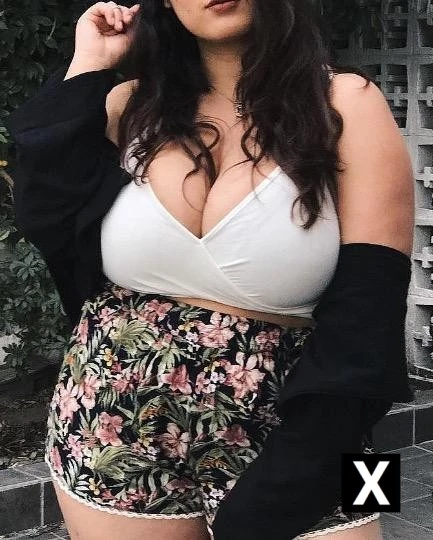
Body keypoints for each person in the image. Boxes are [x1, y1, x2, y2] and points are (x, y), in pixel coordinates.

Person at [5, 1, 414, 539]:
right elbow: (45, 213)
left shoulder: (347, 98)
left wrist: (294, 476)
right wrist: (88, 67)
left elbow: (372, 312)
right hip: (107, 417)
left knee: (369, 508)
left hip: (310, 423)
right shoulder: (131, 104)